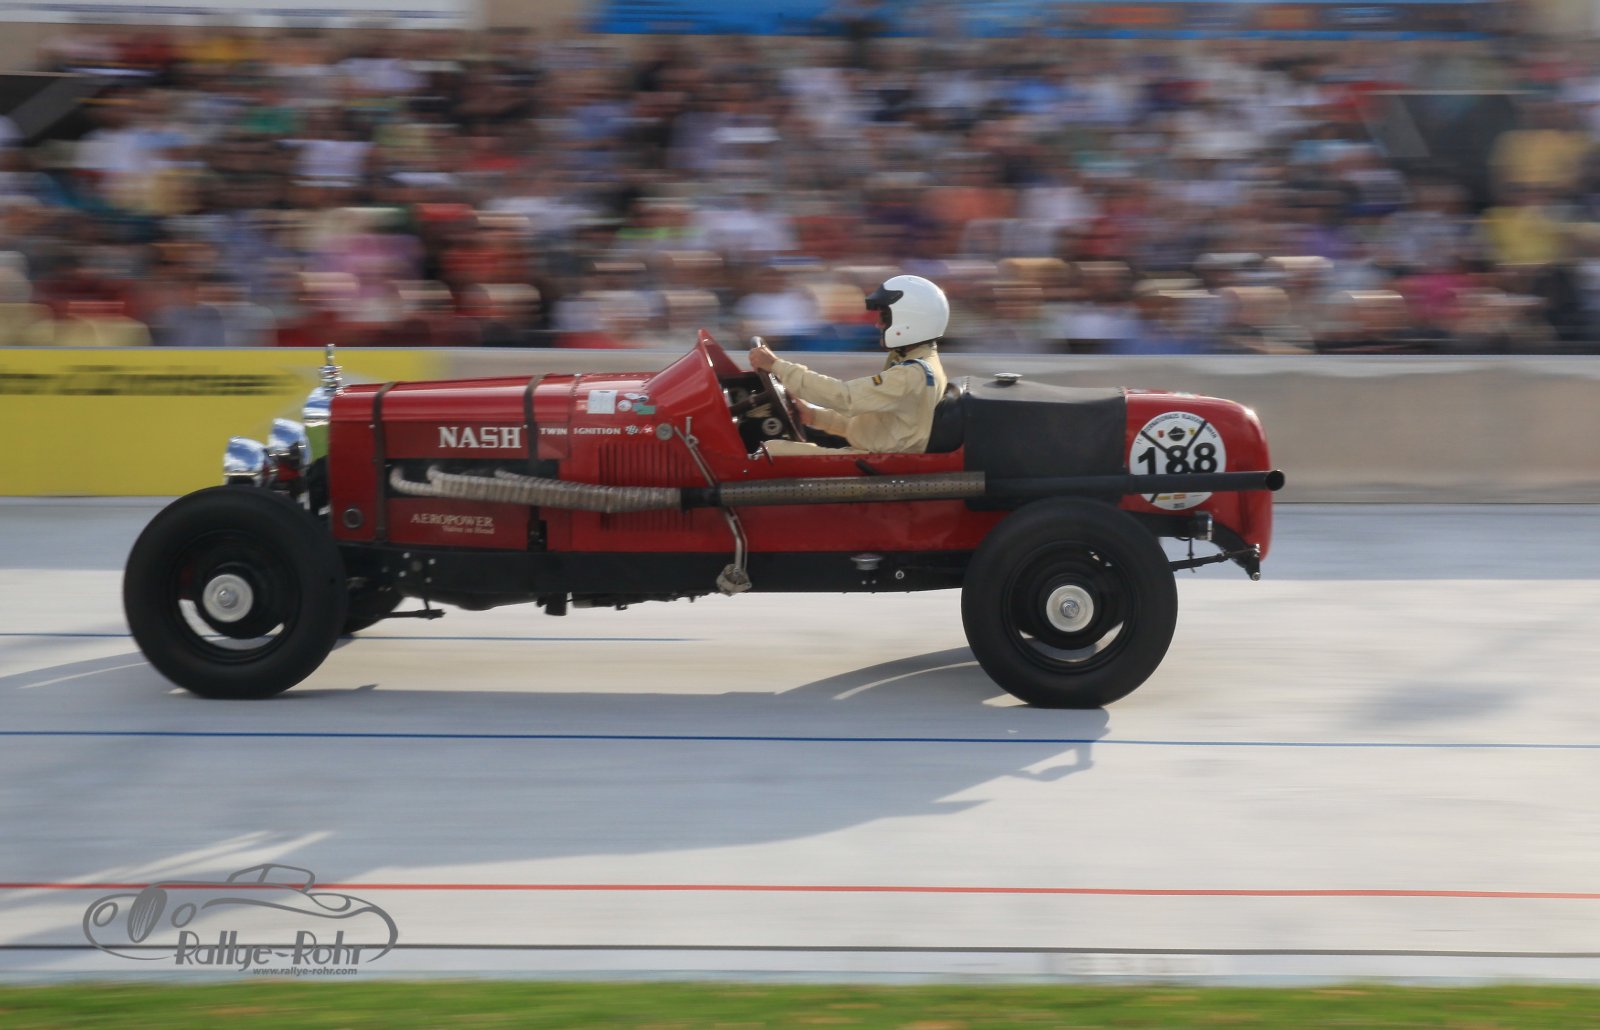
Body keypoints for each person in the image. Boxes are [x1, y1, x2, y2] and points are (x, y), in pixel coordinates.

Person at [748, 274, 948, 454]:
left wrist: (777, 366)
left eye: (885, 317)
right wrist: (814, 416)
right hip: (876, 459)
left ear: (911, 320)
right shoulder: (920, 365)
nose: (878, 324)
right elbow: (877, 427)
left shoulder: (912, 374)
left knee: (771, 452)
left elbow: (845, 397)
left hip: (880, 465)